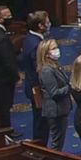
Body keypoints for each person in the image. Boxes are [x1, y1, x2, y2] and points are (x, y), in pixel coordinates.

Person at [37, 39, 72, 151]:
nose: (57, 50)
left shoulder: (55, 65)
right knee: (57, 142)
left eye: (56, 47)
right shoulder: (47, 70)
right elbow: (54, 93)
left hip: (61, 108)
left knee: (59, 140)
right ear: (46, 53)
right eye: (53, 48)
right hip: (55, 111)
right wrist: (70, 87)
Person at [21, 10, 50, 141]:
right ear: (40, 26)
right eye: (47, 22)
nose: (49, 24)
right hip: (38, 88)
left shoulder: (29, 38)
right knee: (41, 121)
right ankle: (40, 148)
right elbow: (40, 69)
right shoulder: (36, 45)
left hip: (32, 84)